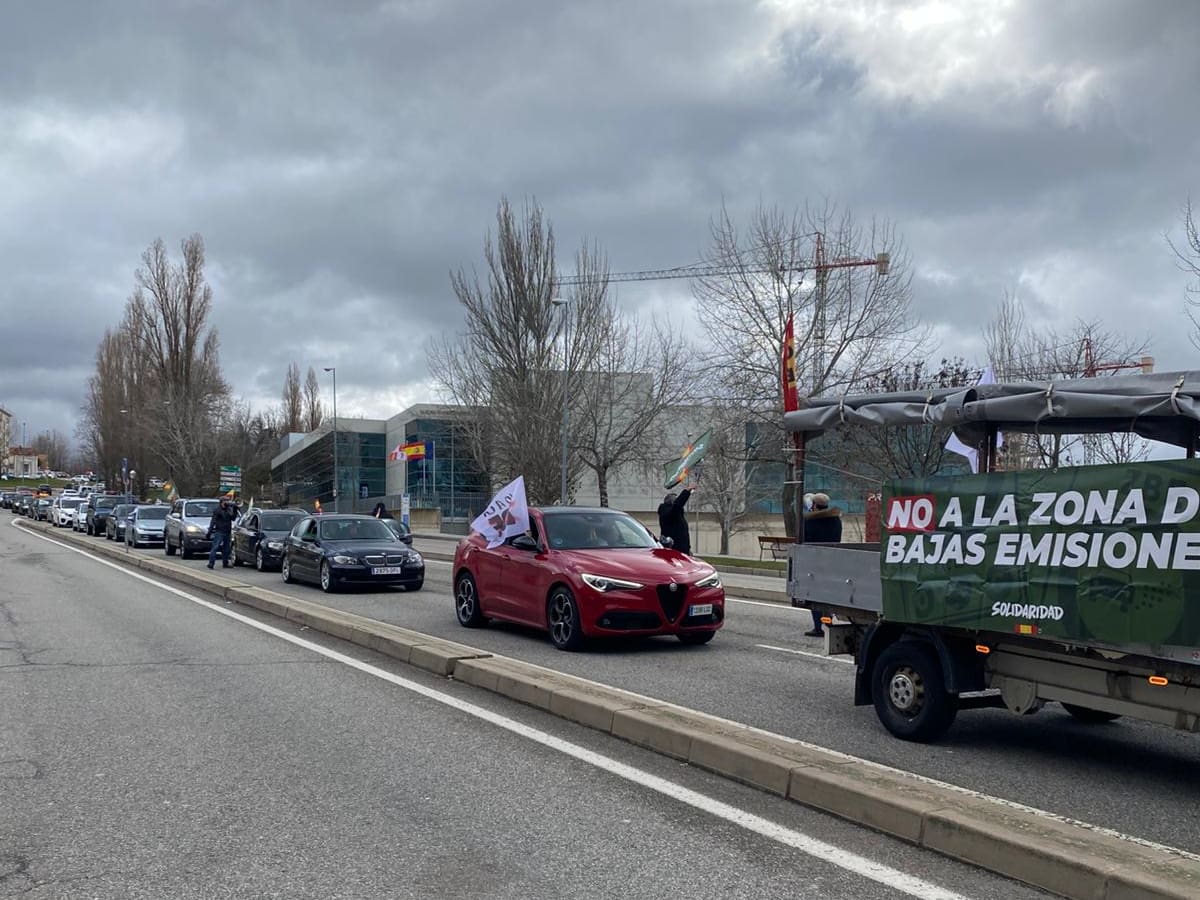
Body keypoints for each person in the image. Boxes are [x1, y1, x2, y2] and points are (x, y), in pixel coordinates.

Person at [803, 492, 843, 637]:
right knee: (828, 595)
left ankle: (818, 627)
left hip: (816, 562)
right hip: (832, 561)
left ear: (814, 505)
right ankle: (828, 622)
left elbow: (804, 539)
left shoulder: (810, 522)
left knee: (814, 596)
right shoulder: (836, 520)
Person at [206, 495, 240, 570]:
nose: (228, 502)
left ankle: (225, 563)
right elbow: (213, 521)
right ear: (222, 502)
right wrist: (209, 531)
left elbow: (233, 518)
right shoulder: (217, 510)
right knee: (215, 547)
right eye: (226, 501)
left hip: (227, 531)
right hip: (219, 531)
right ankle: (211, 563)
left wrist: (235, 509)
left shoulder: (228, 509)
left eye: (228, 500)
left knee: (226, 548)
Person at [657, 485, 693, 555]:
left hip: (682, 550)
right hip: (675, 550)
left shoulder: (674, 515)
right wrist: (687, 491)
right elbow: (678, 505)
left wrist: (688, 548)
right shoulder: (669, 513)